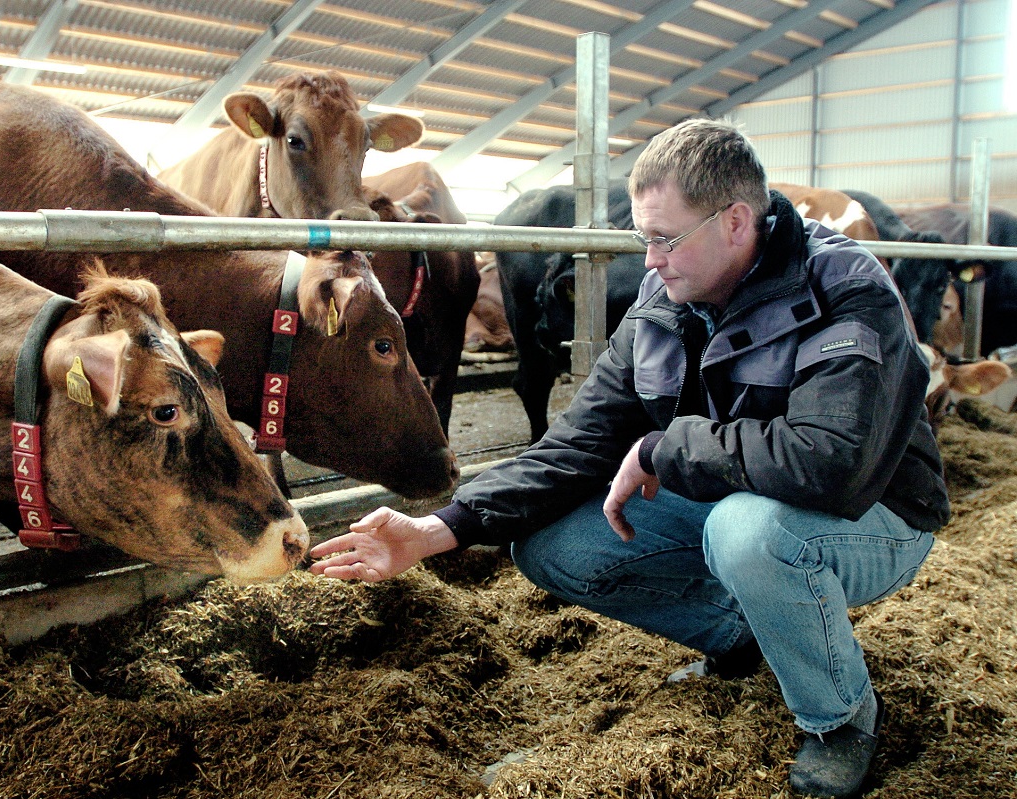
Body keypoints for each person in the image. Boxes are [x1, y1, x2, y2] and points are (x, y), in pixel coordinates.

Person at [309, 118, 948, 799]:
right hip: (741, 495)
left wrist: (661, 447)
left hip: (875, 514)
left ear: (735, 221)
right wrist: (442, 527)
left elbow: (832, 462)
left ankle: (840, 718)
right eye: (643, 238)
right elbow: (580, 439)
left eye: (664, 239)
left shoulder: (844, 287)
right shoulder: (663, 302)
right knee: (552, 544)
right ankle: (743, 637)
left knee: (748, 533)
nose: (649, 260)